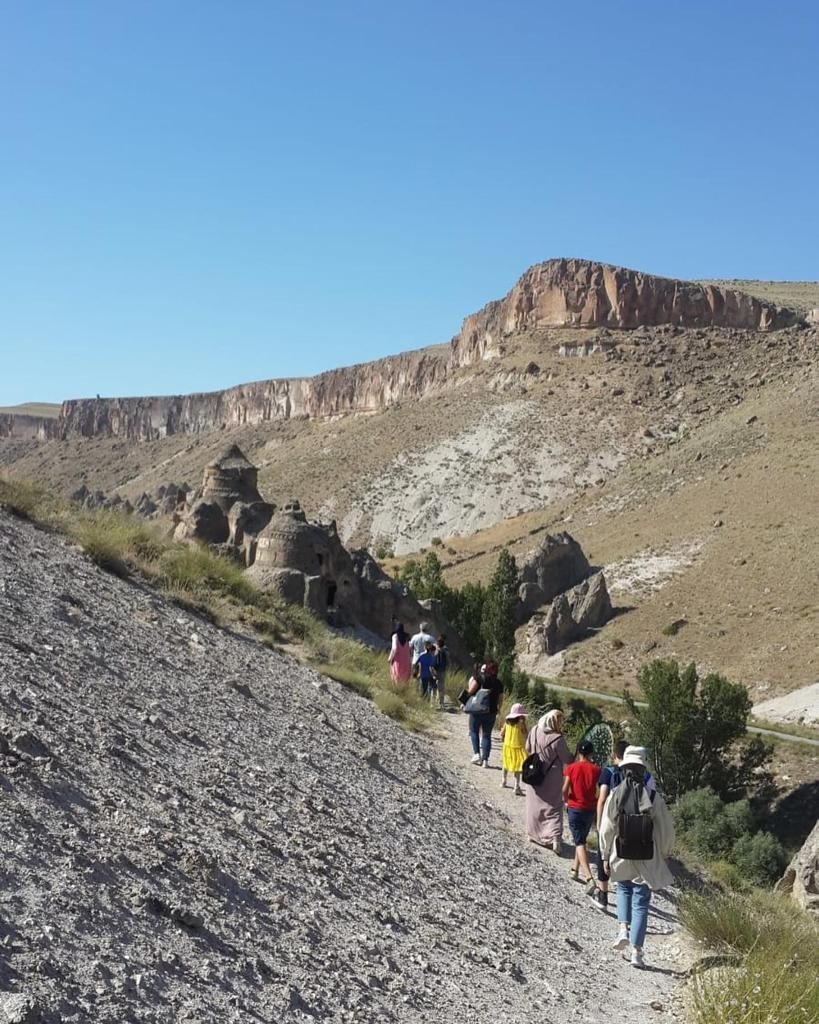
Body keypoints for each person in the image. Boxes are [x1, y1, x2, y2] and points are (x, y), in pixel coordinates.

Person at [599, 746, 675, 969]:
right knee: (641, 900)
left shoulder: (616, 794)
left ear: (624, 769)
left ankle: (623, 928)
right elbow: (665, 830)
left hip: (621, 851)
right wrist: (664, 852)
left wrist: (605, 854)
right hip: (646, 853)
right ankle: (637, 952)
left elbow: (606, 828)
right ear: (643, 769)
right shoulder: (653, 796)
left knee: (622, 889)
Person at [590, 741, 657, 913]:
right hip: (638, 826)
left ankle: (603, 895)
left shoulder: (609, 772)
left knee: (604, 855)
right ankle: (632, 903)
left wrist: (599, 822)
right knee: (632, 859)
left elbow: (603, 798)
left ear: (615, 754)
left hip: (615, 821)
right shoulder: (647, 776)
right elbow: (653, 802)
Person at [524, 709, 573, 852]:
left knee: (534, 805)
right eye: (559, 720)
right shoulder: (557, 739)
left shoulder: (534, 730)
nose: (560, 723)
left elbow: (527, 748)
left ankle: (534, 834)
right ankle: (555, 840)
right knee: (553, 808)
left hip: (534, 774)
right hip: (551, 778)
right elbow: (567, 759)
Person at [562, 740, 600, 886]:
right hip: (589, 809)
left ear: (578, 752)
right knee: (582, 839)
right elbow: (598, 791)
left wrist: (566, 801)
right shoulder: (597, 770)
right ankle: (574, 869)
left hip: (574, 808)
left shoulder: (571, 768)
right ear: (591, 754)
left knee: (579, 842)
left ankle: (589, 878)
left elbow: (565, 789)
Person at [465, 661, 503, 766]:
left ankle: (477, 754)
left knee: (474, 731)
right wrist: (498, 710)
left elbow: (470, 691)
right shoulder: (499, 683)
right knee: (487, 735)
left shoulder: (480, 678)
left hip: (477, 710)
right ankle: (485, 760)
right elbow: (500, 699)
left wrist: (465, 701)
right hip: (491, 712)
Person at [500, 703, 528, 794]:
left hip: (507, 746)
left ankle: (503, 781)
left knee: (505, 763)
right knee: (517, 767)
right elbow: (526, 733)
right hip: (518, 747)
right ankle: (516, 786)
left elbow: (502, 733)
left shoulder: (507, 722)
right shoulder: (521, 724)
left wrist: (503, 737)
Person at [431, 634, 449, 709]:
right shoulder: (445, 650)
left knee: (434, 687)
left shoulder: (435, 649)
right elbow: (448, 660)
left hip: (435, 670)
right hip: (442, 670)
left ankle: (433, 703)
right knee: (441, 687)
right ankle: (441, 703)